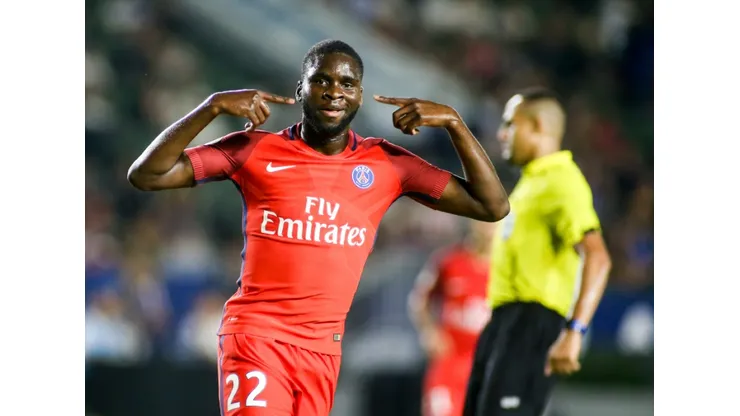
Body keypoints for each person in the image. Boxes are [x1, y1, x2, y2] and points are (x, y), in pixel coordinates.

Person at [127, 39, 509, 416]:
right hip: (258, 338)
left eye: (347, 83)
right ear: (301, 90)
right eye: (321, 80)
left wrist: (454, 124)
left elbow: (491, 206)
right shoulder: (254, 150)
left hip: (322, 352)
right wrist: (210, 107)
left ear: (360, 96)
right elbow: (147, 175)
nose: (334, 92)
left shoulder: (388, 164)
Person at [462, 88, 612, 416]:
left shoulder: (562, 181)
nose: (502, 134)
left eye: (511, 124)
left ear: (538, 127)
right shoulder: (530, 183)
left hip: (531, 323)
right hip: (503, 322)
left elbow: (597, 256)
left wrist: (575, 331)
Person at [408, 219, 496, 416]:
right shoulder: (448, 261)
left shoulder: (507, 270)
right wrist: (430, 331)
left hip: (489, 364)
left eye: (494, 223)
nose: (488, 228)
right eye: (484, 222)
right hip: (450, 362)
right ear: (473, 223)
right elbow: (419, 299)